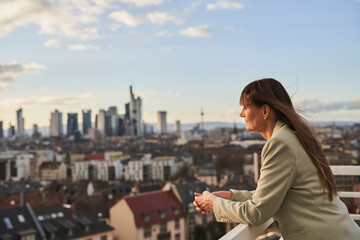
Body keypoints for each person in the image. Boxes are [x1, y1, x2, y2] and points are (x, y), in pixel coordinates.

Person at [193, 79, 360, 239]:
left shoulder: (279, 144)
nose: (241, 113)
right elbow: (279, 192)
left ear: (265, 110)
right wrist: (231, 196)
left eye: (245, 106)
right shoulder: (295, 136)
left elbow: (257, 213)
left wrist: (213, 203)